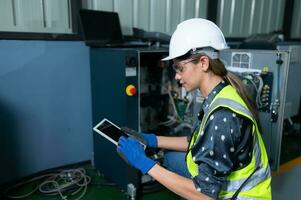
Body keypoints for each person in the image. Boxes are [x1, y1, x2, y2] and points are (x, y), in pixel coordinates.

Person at [118, 18, 271, 200]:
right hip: (227, 185)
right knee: (171, 158)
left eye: (180, 68)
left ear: (204, 63)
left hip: (240, 196)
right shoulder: (222, 92)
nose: (176, 76)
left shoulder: (223, 116)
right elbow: (198, 140)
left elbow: (206, 196)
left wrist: (145, 164)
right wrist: (151, 140)